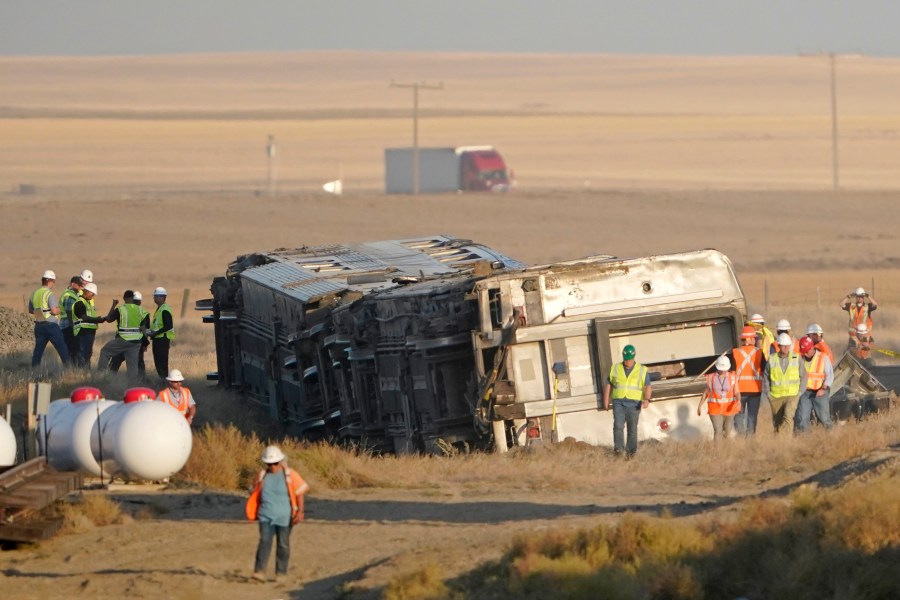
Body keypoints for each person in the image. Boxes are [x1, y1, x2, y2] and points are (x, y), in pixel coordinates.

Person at [247, 445, 309, 582]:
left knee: (283, 544)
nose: (273, 466)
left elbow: (300, 492)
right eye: (270, 463)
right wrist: (258, 487)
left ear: (280, 461)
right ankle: (259, 571)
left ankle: (281, 573)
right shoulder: (261, 475)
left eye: (275, 463)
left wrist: (300, 511)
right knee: (264, 542)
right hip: (265, 515)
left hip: (285, 517)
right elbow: (252, 493)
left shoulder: (290, 474)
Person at [602, 344, 652, 457]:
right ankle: (618, 450)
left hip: (634, 403)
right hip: (618, 402)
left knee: (632, 428)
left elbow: (647, 386)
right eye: (625, 359)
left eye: (629, 359)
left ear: (634, 357)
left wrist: (647, 399)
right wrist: (606, 400)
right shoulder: (615, 368)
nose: (627, 362)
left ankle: (630, 453)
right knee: (618, 425)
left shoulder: (642, 370)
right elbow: (609, 384)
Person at [97, 290, 150, 383]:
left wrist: (113, 305)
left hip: (122, 340)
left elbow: (108, 319)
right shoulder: (141, 310)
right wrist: (145, 342)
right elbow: (143, 328)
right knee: (133, 368)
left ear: (124, 299)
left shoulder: (121, 309)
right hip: (136, 343)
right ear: (133, 298)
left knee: (105, 351)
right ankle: (133, 386)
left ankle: (100, 376)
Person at [762, 333, 806, 434]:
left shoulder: (796, 358)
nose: (786, 348)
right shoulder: (772, 359)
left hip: (792, 395)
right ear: (779, 346)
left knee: (788, 416)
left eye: (787, 345)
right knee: (777, 422)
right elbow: (766, 377)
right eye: (783, 345)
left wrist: (800, 392)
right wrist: (768, 394)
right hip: (776, 396)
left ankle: (787, 442)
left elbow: (803, 376)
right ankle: (778, 442)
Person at [29, 269, 70, 367]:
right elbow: (54, 311)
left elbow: (31, 310)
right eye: (54, 282)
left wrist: (41, 313)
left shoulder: (34, 293)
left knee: (38, 352)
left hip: (39, 326)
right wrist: (61, 309)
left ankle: (35, 371)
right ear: (50, 281)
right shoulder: (49, 293)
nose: (53, 284)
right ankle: (69, 370)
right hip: (51, 326)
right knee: (62, 349)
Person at [795, 335, 834, 432]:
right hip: (805, 393)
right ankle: (805, 442)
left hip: (819, 393)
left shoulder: (823, 357)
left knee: (824, 419)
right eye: (804, 352)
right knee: (803, 419)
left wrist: (823, 389)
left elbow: (830, 375)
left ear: (812, 348)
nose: (805, 354)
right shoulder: (801, 359)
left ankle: (831, 439)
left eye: (807, 351)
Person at [697, 355, 741, 440]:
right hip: (715, 409)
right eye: (721, 369)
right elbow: (706, 393)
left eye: (725, 370)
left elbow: (737, 391)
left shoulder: (732, 377)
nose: (723, 371)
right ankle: (717, 451)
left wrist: (738, 400)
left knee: (727, 431)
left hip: (729, 408)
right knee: (718, 431)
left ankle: (726, 451)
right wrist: (700, 406)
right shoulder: (710, 377)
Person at [733, 326, 765, 435]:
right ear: (751, 339)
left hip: (739, 391)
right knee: (752, 416)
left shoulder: (735, 353)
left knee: (738, 416)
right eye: (754, 338)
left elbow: (731, 374)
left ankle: (741, 438)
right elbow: (765, 370)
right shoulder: (759, 352)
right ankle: (750, 439)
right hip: (755, 390)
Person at [71, 283, 109, 367]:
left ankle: (86, 373)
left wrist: (101, 319)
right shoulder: (79, 303)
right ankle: (80, 374)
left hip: (89, 332)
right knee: (83, 354)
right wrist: (98, 320)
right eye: (92, 293)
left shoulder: (88, 303)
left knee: (87, 354)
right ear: (87, 291)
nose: (93, 295)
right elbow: (84, 317)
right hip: (82, 332)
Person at [148, 286, 175, 379]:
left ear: (162, 297)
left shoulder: (165, 310)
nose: (154, 298)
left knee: (162, 363)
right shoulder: (160, 309)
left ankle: (165, 381)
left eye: (156, 296)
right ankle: (163, 380)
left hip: (162, 339)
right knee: (158, 363)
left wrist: (154, 333)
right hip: (157, 339)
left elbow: (168, 325)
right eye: (154, 296)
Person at [58, 275, 84, 361]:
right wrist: (72, 325)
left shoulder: (73, 294)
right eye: (79, 285)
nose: (81, 287)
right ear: (73, 284)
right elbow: (69, 311)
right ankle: (71, 369)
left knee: (72, 350)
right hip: (68, 325)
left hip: (68, 325)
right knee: (72, 349)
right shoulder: (69, 295)